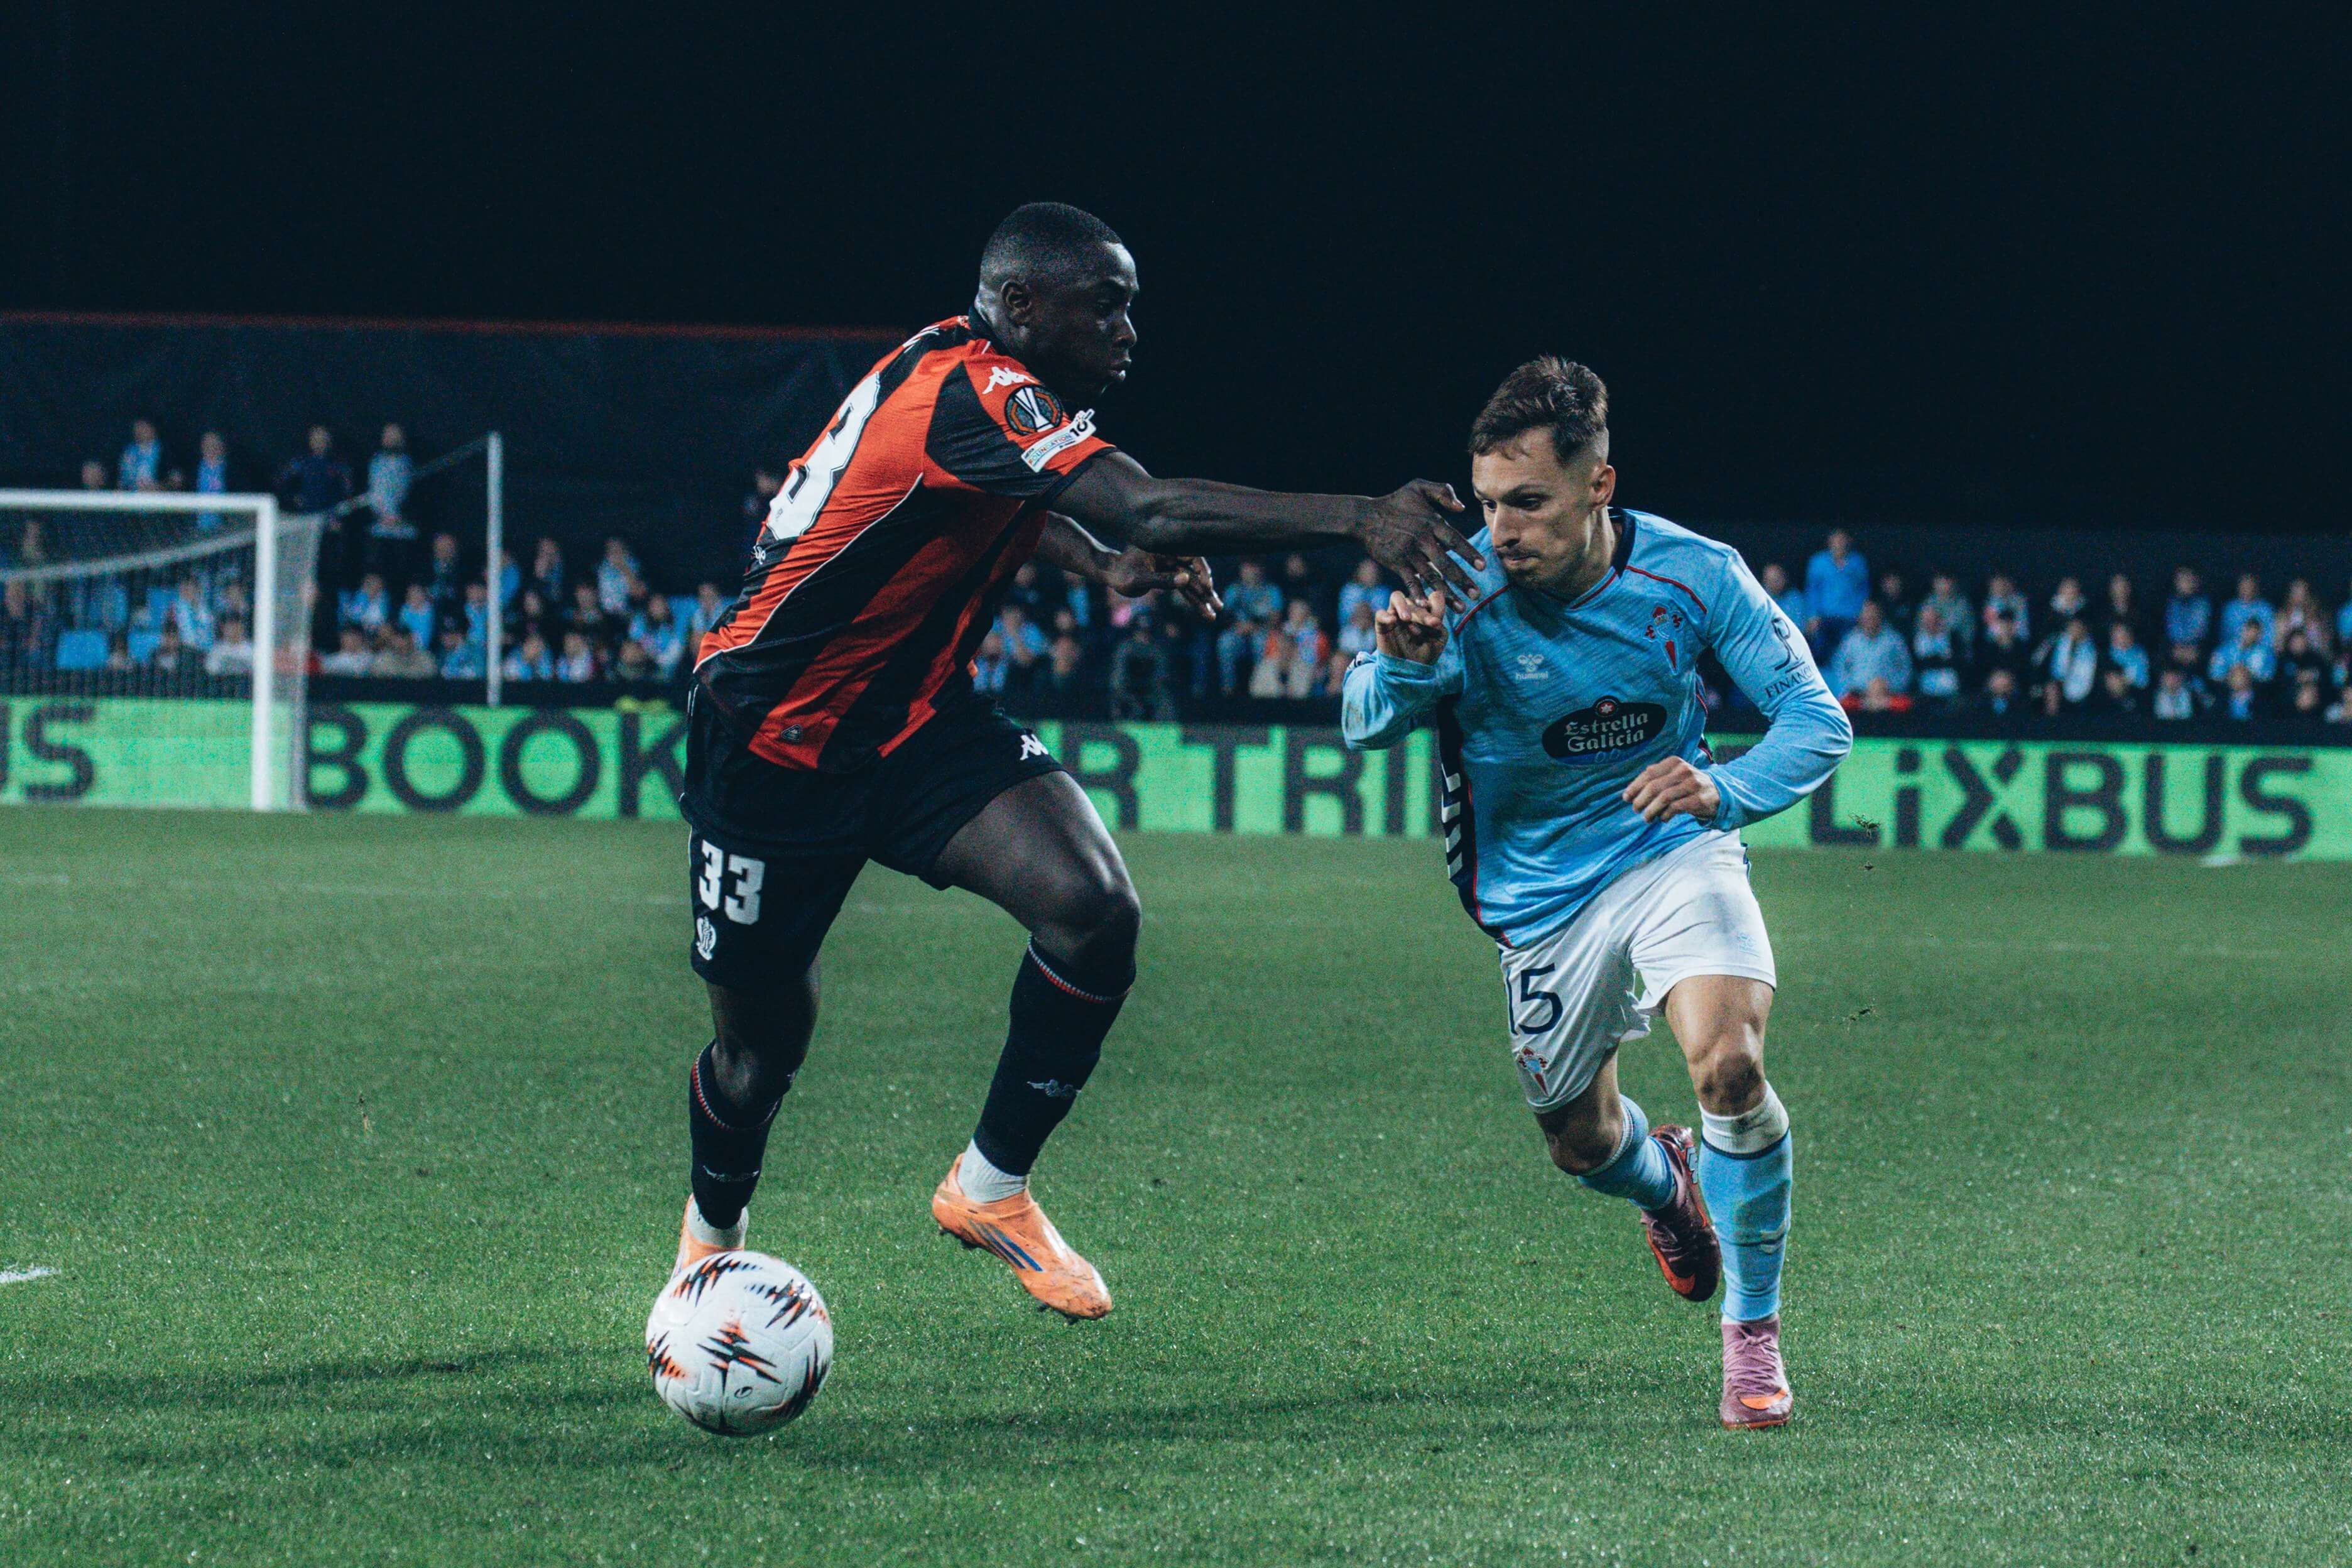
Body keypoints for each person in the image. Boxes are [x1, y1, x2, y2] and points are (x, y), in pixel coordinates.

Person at [672, 201, 1479, 1321]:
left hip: (913, 724)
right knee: (760, 1052)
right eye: (1105, 306)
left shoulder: (967, 378)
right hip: (770, 740)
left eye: (1129, 309)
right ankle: (707, 1245)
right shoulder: (975, 389)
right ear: (1019, 306)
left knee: (1092, 910)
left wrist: (1101, 569)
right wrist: (1356, 517)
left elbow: (1002, 496)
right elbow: (1144, 504)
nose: (1127, 332)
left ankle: (990, 1185)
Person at [1341, 358, 1849, 1429]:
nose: (1499, 527)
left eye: (1526, 502)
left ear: (1597, 486)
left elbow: (1815, 719)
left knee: (1730, 1064)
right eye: (1486, 502)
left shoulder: (1693, 576)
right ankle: (1666, 1187)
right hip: (1535, 902)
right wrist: (1399, 669)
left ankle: (1750, 1345)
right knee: (1578, 1142)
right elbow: (1359, 718)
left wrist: (1721, 789)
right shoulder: (1458, 587)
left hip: (1670, 851)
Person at [1826, 600, 1910, 700]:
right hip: (1857, 697)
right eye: (1867, 616)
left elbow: (1906, 668)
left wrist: (1893, 687)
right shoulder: (1851, 641)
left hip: (1888, 697)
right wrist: (1850, 686)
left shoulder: (1894, 640)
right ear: (1861, 618)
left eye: (1873, 615)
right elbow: (1839, 666)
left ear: (1880, 616)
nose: (1870, 618)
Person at [1802, 528, 1867, 652]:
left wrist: (1862, 615)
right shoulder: (1818, 561)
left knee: (1848, 651)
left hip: (1850, 618)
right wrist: (1812, 615)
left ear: (1849, 542)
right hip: (1824, 618)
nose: (1839, 544)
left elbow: (1863, 590)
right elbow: (1812, 591)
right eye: (1836, 540)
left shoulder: (1858, 562)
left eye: (1842, 540)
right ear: (1829, 542)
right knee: (1819, 650)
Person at [118, 419, 163, 491]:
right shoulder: (129, 451)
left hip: (158, 493)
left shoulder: (162, 450)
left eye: (143, 427)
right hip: (132, 493)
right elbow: (123, 476)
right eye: (137, 428)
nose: (140, 431)